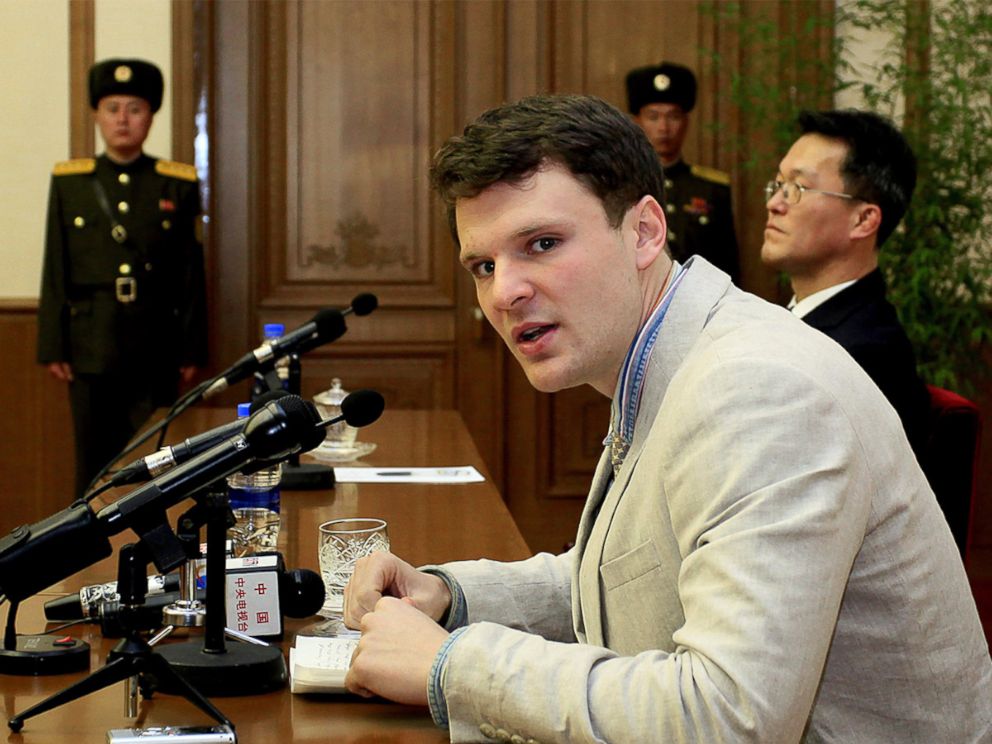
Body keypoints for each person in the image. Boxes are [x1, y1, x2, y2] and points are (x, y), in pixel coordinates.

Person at [341, 94, 991, 742]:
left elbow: (728, 719)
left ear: (646, 232)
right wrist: (451, 596)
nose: (504, 292)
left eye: (542, 243)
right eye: (483, 265)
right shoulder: (667, 351)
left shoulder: (756, 391)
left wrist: (451, 664)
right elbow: (631, 573)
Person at [37, 58, 207, 499]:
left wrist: (192, 346)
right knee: (93, 465)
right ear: (97, 115)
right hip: (90, 343)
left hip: (157, 345)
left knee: (158, 460)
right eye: (112, 108)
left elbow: (190, 273)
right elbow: (56, 265)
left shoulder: (177, 183)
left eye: (135, 108)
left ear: (150, 117)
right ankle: (87, 560)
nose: (123, 119)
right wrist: (53, 343)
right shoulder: (71, 182)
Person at [761, 109, 931, 459]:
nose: (774, 203)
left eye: (798, 188)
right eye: (778, 184)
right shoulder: (785, 322)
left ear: (864, 219)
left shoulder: (864, 354)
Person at [626, 61, 740, 283]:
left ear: (686, 122)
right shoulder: (622, 186)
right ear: (637, 121)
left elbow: (728, 266)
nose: (664, 127)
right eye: (653, 116)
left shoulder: (712, 188)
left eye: (673, 116)